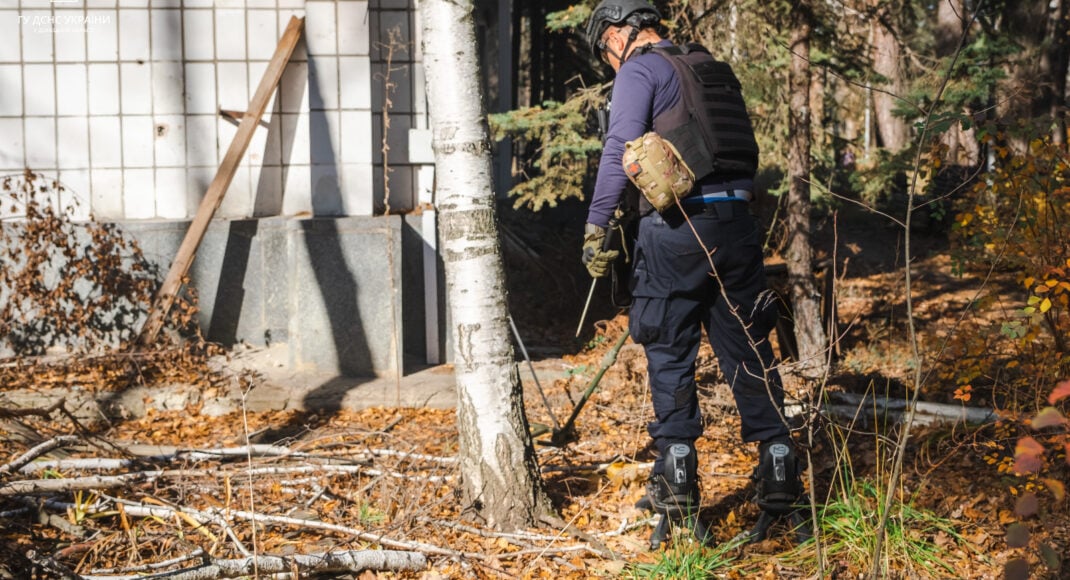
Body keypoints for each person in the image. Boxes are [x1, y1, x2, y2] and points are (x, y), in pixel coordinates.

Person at [581, 0, 806, 545]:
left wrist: (596, 225)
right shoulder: (711, 67)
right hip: (736, 227)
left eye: (604, 55)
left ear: (616, 35)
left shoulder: (641, 68)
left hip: (677, 229)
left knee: (669, 347)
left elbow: (620, 149)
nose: (609, 67)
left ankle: (678, 484)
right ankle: (780, 473)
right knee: (750, 349)